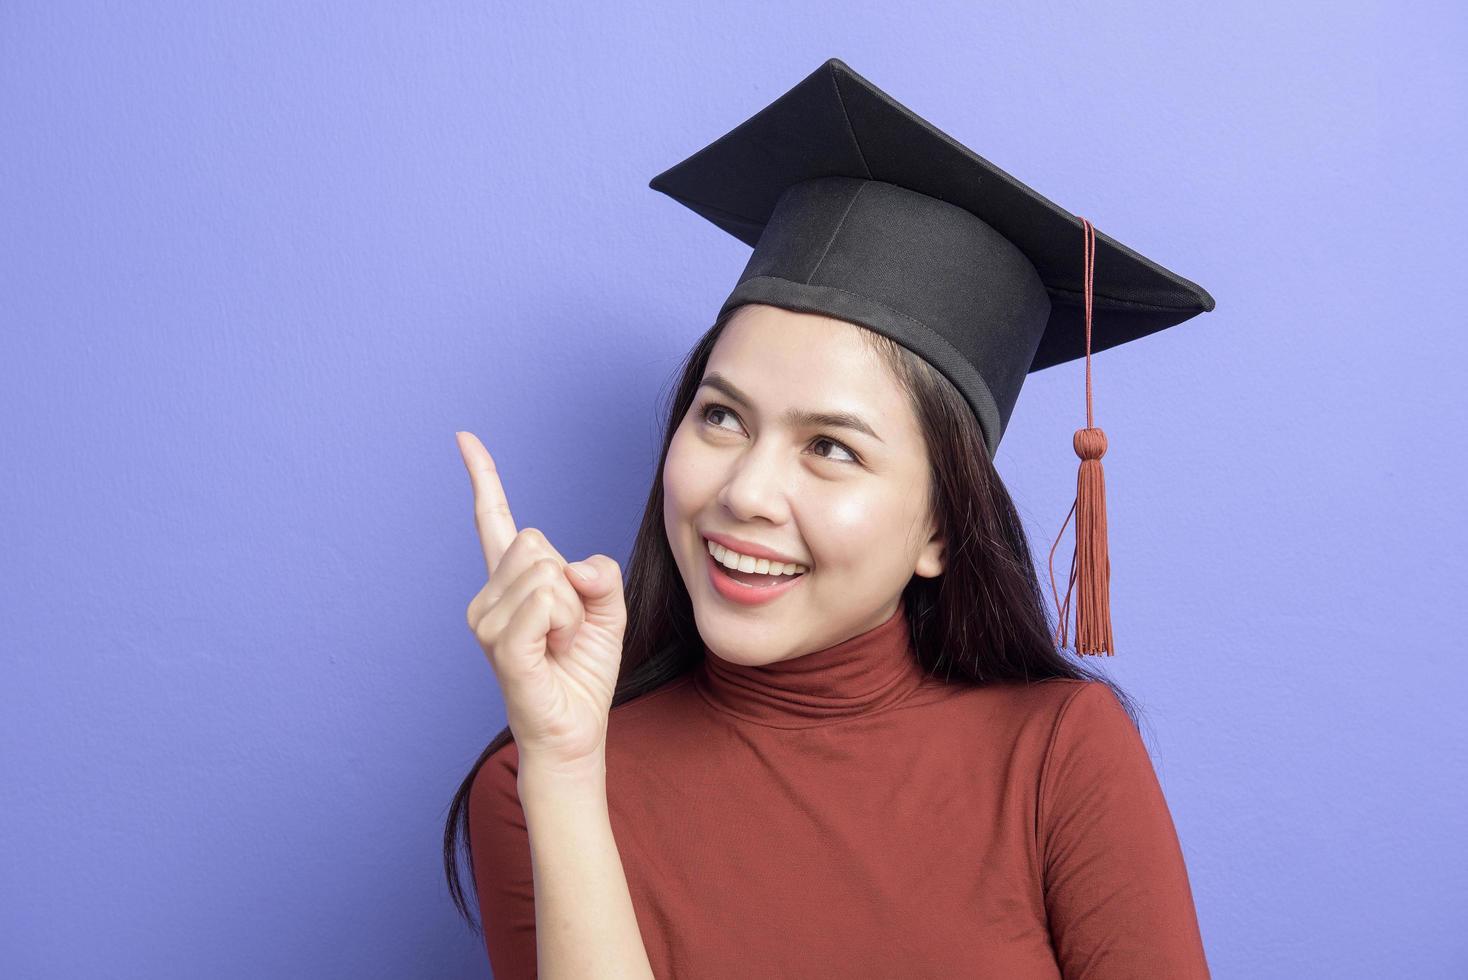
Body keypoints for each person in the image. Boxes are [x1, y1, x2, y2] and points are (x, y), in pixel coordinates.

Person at [444, 58, 1215, 979]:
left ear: (940, 529)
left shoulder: (1060, 754)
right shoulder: (539, 788)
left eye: (832, 447)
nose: (747, 493)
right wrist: (565, 772)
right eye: (721, 416)